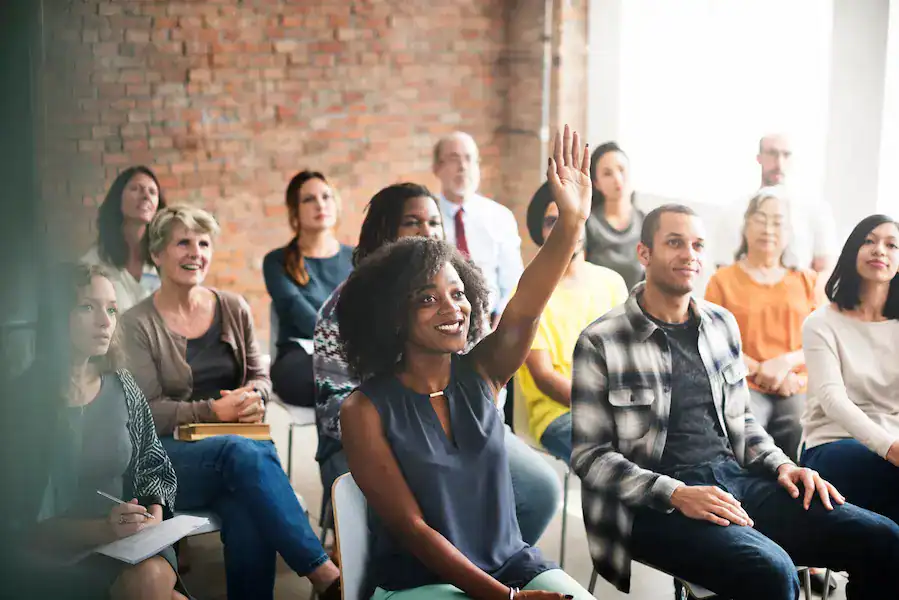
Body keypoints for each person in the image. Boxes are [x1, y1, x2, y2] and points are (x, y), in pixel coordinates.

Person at [571, 203, 899, 599]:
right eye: (674, 243)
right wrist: (675, 492)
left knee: (884, 538)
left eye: (697, 245)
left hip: (736, 480)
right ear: (644, 253)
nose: (689, 254)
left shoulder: (720, 324)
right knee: (772, 572)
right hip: (653, 504)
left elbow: (742, 420)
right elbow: (589, 457)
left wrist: (783, 465)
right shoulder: (601, 340)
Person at [337, 127, 595, 600]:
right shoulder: (364, 409)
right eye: (427, 299)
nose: (452, 308)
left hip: (513, 564)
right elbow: (412, 529)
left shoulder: (482, 372)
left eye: (458, 294)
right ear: (393, 315)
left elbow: (526, 307)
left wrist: (571, 222)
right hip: (421, 583)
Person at [314, 182, 562, 545]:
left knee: (539, 490)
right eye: (412, 222)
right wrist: (421, 442)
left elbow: (482, 377)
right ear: (383, 233)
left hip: (457, 429)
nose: (427, 232)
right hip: (372, 440)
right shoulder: (344, 308)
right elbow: (335, 410)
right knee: (430, 509)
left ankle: (487, 564)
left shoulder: (456, 296)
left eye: (434, 222)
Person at [122, 206, 340, 600]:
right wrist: (212, 411)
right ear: (156, 253)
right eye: (183, 242)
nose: (196, 252)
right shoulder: (137, 324)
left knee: (246, 505)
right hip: (170, 460)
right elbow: (145, 410)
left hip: (239, 450)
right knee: (242, 454)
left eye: (203, 243)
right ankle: (324, 574)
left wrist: (254, 397)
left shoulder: (233, 307)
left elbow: (259, 375)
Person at [16, 263, 186, 599]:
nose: (105, 321)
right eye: (87, 307)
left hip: (128, 543)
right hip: (56, 555)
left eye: (111, 309)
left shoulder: (122, 385)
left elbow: (154, 464)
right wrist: (103, 530)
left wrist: (151, 517)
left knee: (150, 578)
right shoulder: (23, 401)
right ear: (57, 314)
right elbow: (19, 524)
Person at [516, 182, 628, 463]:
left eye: (570, 218)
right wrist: (602, 406)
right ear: (540, 232)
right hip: (558, 414)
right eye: (552, 221)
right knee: (621, 461)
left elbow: (631, 352)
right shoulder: (530, 295)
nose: (563, 228)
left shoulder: (611, 282)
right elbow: (544, 377)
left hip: (617, 406)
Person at [705, 187, 819, 460]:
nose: (768, 228)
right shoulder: (722, 280)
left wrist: (784, 365)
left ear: (789, 233)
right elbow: (711, 338)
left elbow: (822, 340)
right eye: (760, 219)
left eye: (777, 222)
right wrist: (760, 370)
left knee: (800, 428)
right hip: (742, 381)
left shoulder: (807, 280)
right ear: (745, 227)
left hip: (794, 383)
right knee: (745, 433)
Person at [800, 214, 899, 526]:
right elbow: (833, 400)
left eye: (891, 244)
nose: (879, 250)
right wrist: (891, 449)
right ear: (851, 252)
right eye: (868, 241)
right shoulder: (821, 323)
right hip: (831, 446)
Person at [264, 170, 353, 407]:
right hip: (300, 359)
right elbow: (297, 311)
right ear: (295, 210)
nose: (320, 205)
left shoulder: (357, 258)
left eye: (326, 197)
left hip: (352, 356)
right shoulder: (276, 261)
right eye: (309, 199)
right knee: (340, 380)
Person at [433, 131, 523, 322]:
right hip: (440, 320)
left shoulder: (500, 217)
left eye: (469, 159)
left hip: (489, 323)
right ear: (437, 167)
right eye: (453, 159)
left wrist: (501, 318)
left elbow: (513, 281)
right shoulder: (427, 216)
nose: (462, 167)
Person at [714, 134, 837, 274]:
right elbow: (723, 270)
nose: (779, 163)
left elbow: (825, 271)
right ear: (759, 158)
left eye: (786, 155)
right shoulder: (734, 211)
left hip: (800, 293)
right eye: (772, 153)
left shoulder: (817, 210)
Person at [82, 166, 165, 312]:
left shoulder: (164, 261)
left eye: (152, 192)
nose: (146, 196)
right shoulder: (93, 264)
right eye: (135, 189)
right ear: (117, 198)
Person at [584, 141, 645, 290]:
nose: (617, 179)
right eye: (607, 173)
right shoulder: (588, 224)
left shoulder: (646, 223)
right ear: (596, 183)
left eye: (621, 170)